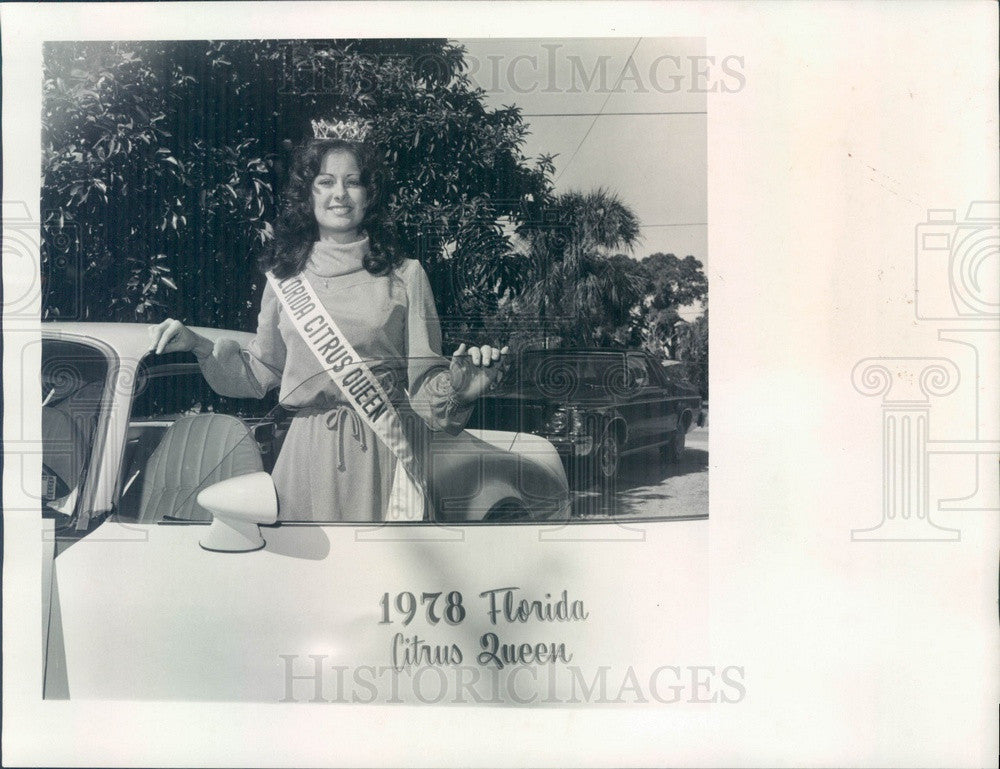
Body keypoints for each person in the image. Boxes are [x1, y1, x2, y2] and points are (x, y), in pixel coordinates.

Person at [147, 121, 507, 522]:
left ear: (369, 195)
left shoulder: (406, 275)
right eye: (325, 182)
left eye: (353, 182)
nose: (340, 194)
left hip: (381, 453)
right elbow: (258, 373)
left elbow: (423, 388)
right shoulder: (285, 280)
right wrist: (197, 344)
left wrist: (462, 388)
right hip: (305, 454)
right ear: (309, 193)